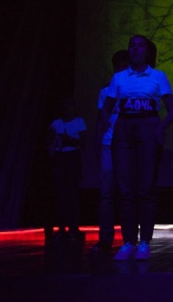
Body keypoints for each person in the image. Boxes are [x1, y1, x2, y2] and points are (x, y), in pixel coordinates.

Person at [97, 35, 173, 260]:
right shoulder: (119, 77)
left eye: (140, 46)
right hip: (124, 129)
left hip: (147, 127)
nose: (135, 49)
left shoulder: (158, 76)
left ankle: (144, 242)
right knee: (125, 188)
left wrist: (159, 128)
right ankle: (128, 241)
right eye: (132, 46)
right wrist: (107, 124)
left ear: (147, 52)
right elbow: (106, 107)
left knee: (146, 187)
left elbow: (172, 109)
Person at [91, 50, 129, 253]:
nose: (120, 70)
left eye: (124, 67)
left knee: (126, 193)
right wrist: (97, 142)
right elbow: (101, 118)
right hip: (108, 144)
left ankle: (129, 239)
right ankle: (105, 238)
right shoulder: (105, 91)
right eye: (118, 67)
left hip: (127, 146)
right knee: (106, 194)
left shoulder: (133, 90)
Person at [48, 96, 87, 243]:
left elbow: (83, 141)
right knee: (60, 195)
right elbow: (47, 140)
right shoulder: (56, 123)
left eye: (69, 105)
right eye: (64, 105)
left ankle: (73, 229)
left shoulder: (79, 121)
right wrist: (52, 137)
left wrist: (67, 139)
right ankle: (61, 229)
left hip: (72, 158)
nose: (66, 108)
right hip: (59, 158)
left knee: (72, 194)